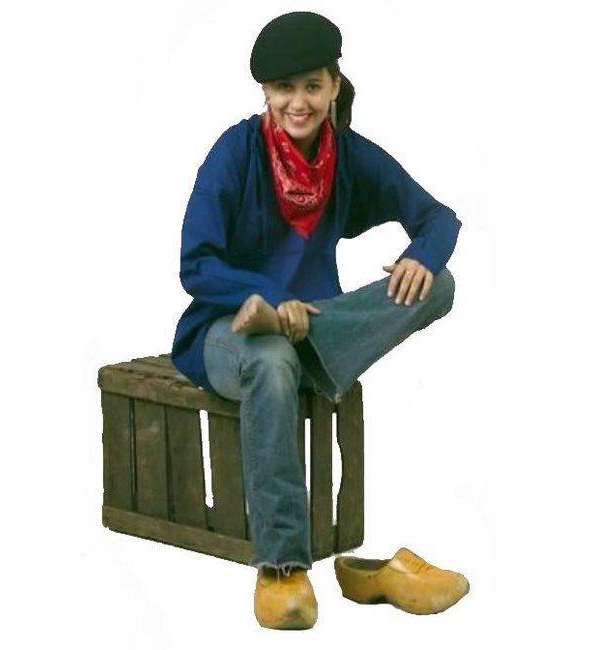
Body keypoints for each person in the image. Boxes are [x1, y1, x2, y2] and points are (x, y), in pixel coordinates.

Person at [172, 11, 468, 630]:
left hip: (317, 326)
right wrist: (262, 296)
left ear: (335, 85)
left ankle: (301, 333)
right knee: (270, 356)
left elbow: (439, 217)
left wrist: (421, 255)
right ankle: (281, 568)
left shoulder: (349, 158)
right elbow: (195, 264)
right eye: (284, 88)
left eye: (312, 85)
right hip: (228, 333)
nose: (298, 102)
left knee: (438, 285)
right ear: (265, 93)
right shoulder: (234, 153)